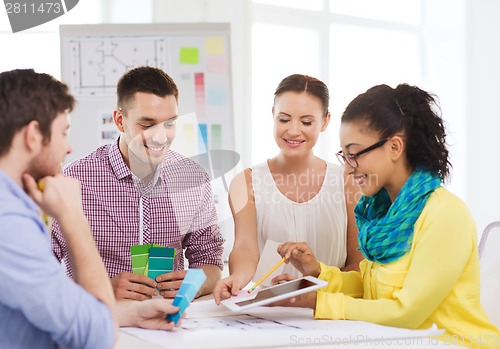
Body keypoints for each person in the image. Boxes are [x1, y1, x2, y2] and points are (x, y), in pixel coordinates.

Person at [275, 83, 500, 349]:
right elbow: (370, 287)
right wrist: (316, 274)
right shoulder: (382, 212)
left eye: (354, 154)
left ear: (394, 147)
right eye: (344, 156)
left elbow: (406, 312)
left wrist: (320, 302)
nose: (347, 170)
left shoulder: (444, 214)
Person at [0, 69, 183, 349]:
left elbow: (51, 304)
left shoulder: (14, 205)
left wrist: (131, 313)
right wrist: (73, 215)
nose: (69, 147)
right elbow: (98, 334)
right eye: (63, 132)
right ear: (33, 135)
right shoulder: (9, 222)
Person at [51, 66, 224, 301]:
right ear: (120, 120)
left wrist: (196, 282)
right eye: (147, 124)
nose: (161, 137)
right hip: (101, 320)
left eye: (170, 124)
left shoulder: (193, 178)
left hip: (170, 322)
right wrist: (101, 288)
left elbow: (210, 261)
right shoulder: (75, 181)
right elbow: (40, 274)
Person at [214, 74, 363, 304]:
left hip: (331, 311)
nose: (293, 131)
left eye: (306, 122)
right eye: (284, 119)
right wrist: (237, 278)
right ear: (273, 114)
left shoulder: (348, 181)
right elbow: (245, 247)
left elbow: (358, 264)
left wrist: (307, 292)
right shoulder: (246, 182)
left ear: (325, 122)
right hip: (266, 312)